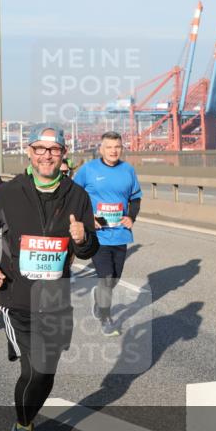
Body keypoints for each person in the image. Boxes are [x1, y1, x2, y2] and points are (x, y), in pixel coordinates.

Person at [0, 126, 98, 431]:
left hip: (56, 299)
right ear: (29, 152)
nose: (46, 155)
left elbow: (88, 249)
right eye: (40, 149)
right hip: (18, 297)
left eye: (53, 149)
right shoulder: (10, 192)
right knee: (36, 367)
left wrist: (83, 238)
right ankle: (23, 429)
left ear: (63, 154)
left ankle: (23, 421)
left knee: (46, 372)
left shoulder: (77, 196)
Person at [73, 131, 142, 336]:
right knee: (106, 276)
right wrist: (87, 219)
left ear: (122, 149)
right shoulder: (88, 169)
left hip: (120, 233)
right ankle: (105, 316)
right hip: (98, 233)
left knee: (115, 277)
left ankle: (99, 300)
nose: (113, 151)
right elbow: (74, 197)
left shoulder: (128, 170)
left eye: (117, 147)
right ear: (101, 149)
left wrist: (131, 217)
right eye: (109, 147)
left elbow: (135, 198)